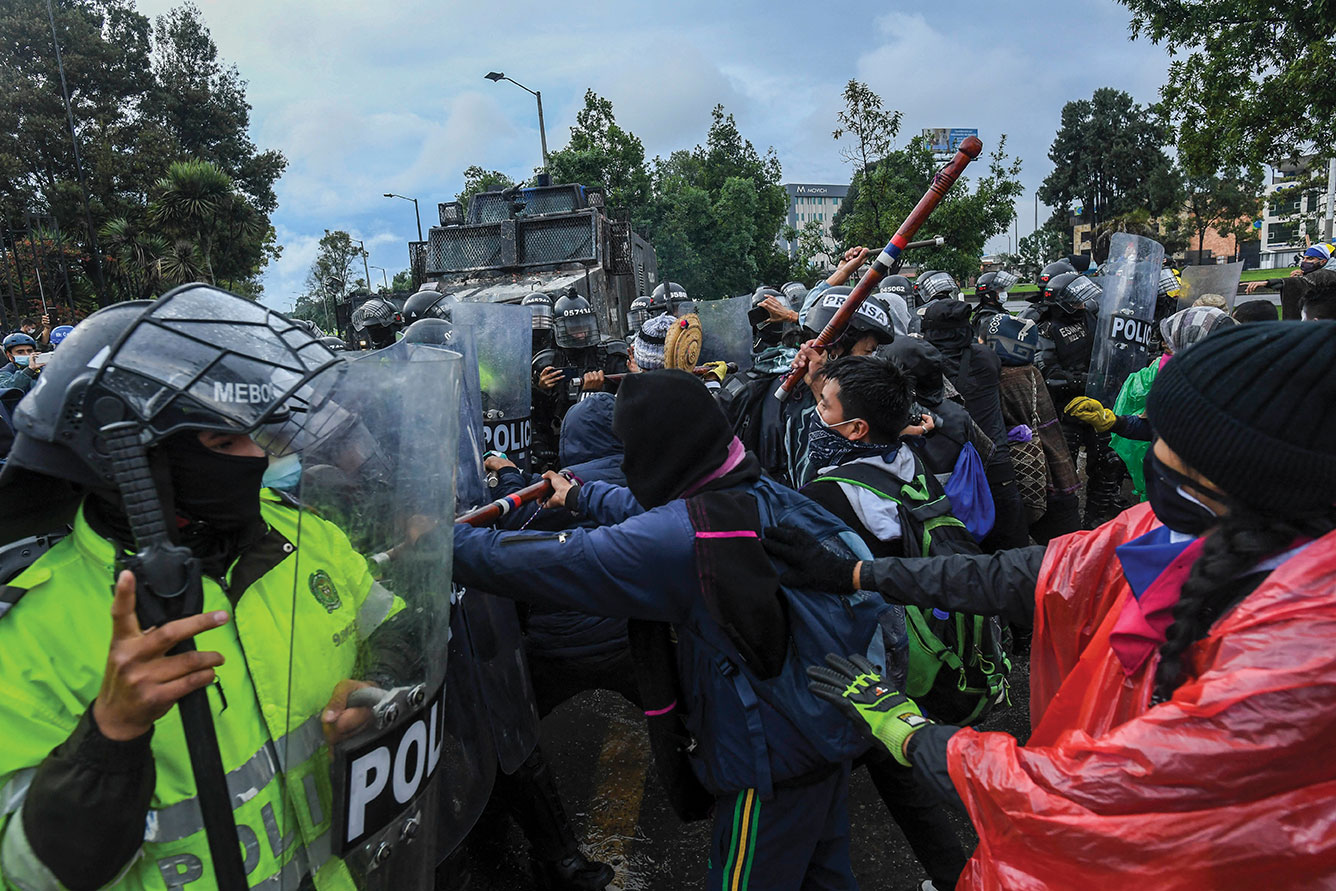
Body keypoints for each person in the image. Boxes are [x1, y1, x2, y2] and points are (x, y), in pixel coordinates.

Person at [767, 320, 1336, 888]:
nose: (1154, 453)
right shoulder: (1177, 529)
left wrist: (908, 731)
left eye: (1173, 441)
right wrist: (860, 572)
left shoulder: (1302, 654)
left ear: (1252, 473)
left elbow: (1086, 790)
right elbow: (1029, 574)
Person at [0, 287, 441, 889]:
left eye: (252, 434)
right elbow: (30, 874)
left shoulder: (298, 532)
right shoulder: (30, 631)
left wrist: (380, 684)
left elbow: (398, 626)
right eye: (222, 442)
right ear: (132, 460)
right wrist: (109, 738)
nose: (254, 456)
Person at [453, 370, 890, 891]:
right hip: (824, 722)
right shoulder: (751, 488)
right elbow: (662, 514)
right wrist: (582, 497)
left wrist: (440, 545)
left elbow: (554, 563)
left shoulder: (681, 540)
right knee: (824, 876)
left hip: (773, 762)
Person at [796, 355, 972, 890]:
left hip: (875, 649)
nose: (813, 411)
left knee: (894, 773)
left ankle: (959, 877)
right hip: (924, 630)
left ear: (854, 428)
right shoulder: (903, 455)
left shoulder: (830, 494)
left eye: (823, 405)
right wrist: (819, 388)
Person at [1066, 306, 1237, 501]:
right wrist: (1113, 421)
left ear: (1195, 343)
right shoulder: (1195, 381)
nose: (1163, 347)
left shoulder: (1226, 399)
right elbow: (1162, 429)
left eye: (1172, 345)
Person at [921, 300, 1027, 551]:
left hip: (955, 473)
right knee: (1012, 551)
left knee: (965, 555)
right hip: (997, 464)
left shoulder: (926, 365)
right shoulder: (987, 357)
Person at [1029, 271, 1124, 527]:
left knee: (1108, 463)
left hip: (1097, 402)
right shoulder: (1047, 329)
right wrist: (1082, 380)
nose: (1081, 305)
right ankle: (1064, 527)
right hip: (1066, 411)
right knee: (1063, 474)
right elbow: (1048, 374)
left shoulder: (1091, 318)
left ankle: (1097, 520)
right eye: (1075, 301)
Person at [978, 315, 1081, 543]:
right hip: (1057, 472)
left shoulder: (998, 378)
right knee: (1070, 550)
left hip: (1030, 478)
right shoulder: (1030, 371)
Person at [1243, 245, 1336, 318]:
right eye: (1304, 258)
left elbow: (1299, 283)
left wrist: (1267, 283)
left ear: (1323, 261)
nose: (1305, 261)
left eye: (1310, 259)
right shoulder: (1322, 273)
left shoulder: (1325, 274)